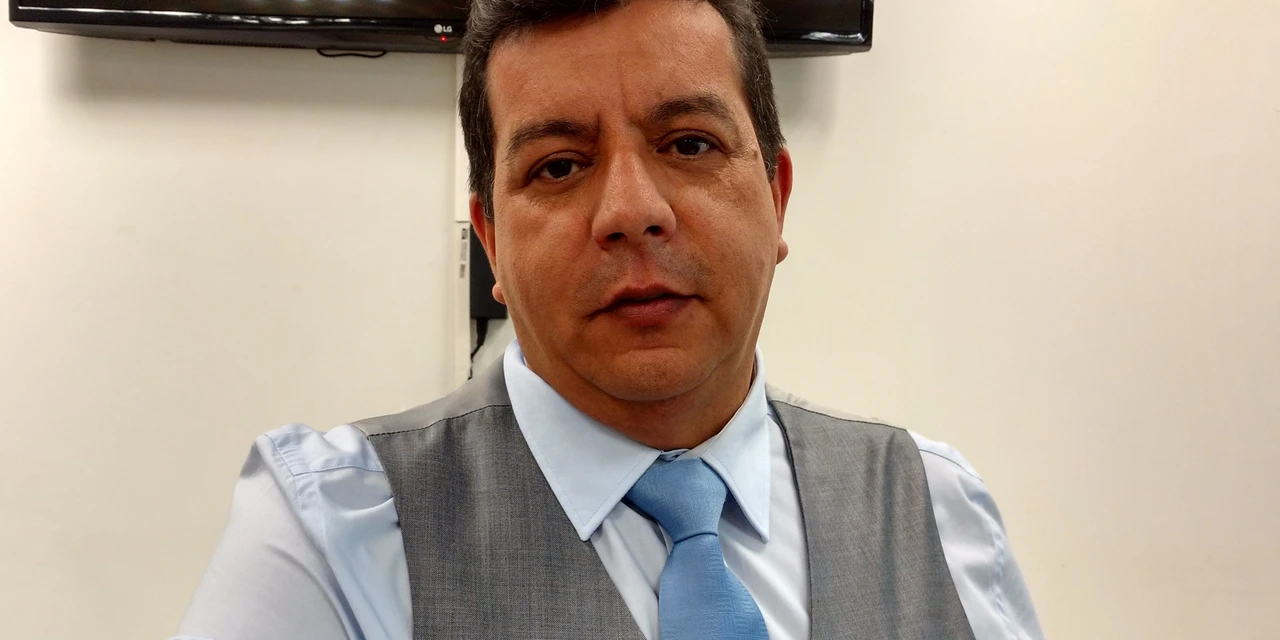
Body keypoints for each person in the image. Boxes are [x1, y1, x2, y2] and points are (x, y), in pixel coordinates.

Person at [173, 1, 1044, 638]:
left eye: (690, 144)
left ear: (777, 198)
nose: (632, 211)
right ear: (492, 241)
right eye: (559, 166)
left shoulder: (937, 510)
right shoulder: (337, 531)